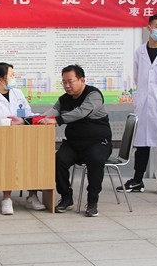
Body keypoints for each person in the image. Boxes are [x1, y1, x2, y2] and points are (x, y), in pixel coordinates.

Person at [118, 14, 157, 196]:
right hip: (145, 105)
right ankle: (138, 180)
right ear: (149, 28)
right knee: (142, 144)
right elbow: (138, 77)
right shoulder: (140, 52)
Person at [37, 65, 111, 218]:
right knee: (58, 160)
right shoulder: (64, 99)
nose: (67, 86)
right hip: (74, 144)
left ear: (82, 80)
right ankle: (66, 198)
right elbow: (49, 114)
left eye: (70, 81)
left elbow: (81, 112)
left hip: (97, 143)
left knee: (95, 159)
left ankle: (92, 202)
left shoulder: (94, 95)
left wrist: (57, 120)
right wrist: (26, 120)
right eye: (64, 82)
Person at [0, 62, 45, 213]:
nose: (14, 78)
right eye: (11, 75)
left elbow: (27, 112)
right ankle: (6, 199)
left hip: (22, 138)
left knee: (32, 160)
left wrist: (38, 118)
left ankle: (32, 196)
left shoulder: (17, 93)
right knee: (7, 162)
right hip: (0, 142)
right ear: (0, 79)